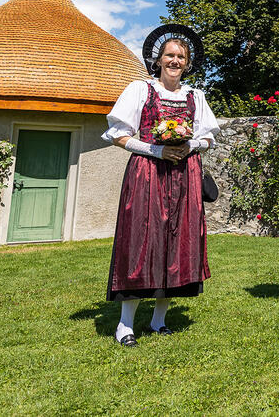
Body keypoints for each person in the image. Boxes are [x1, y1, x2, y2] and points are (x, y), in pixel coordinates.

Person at [103, 25, 220, 347]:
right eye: (170, 55)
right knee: (141, 241)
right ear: (158, 59)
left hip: (185, 177)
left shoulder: (195, 96)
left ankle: (158, 320)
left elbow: (209, 135)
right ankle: (125, 325)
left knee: (178, 243)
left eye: (181, 57)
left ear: (187, 62)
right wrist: (156, 149)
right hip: (147, 175)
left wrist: (191, 147)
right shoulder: (139, 90)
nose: (175, 61)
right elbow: (118, 135)